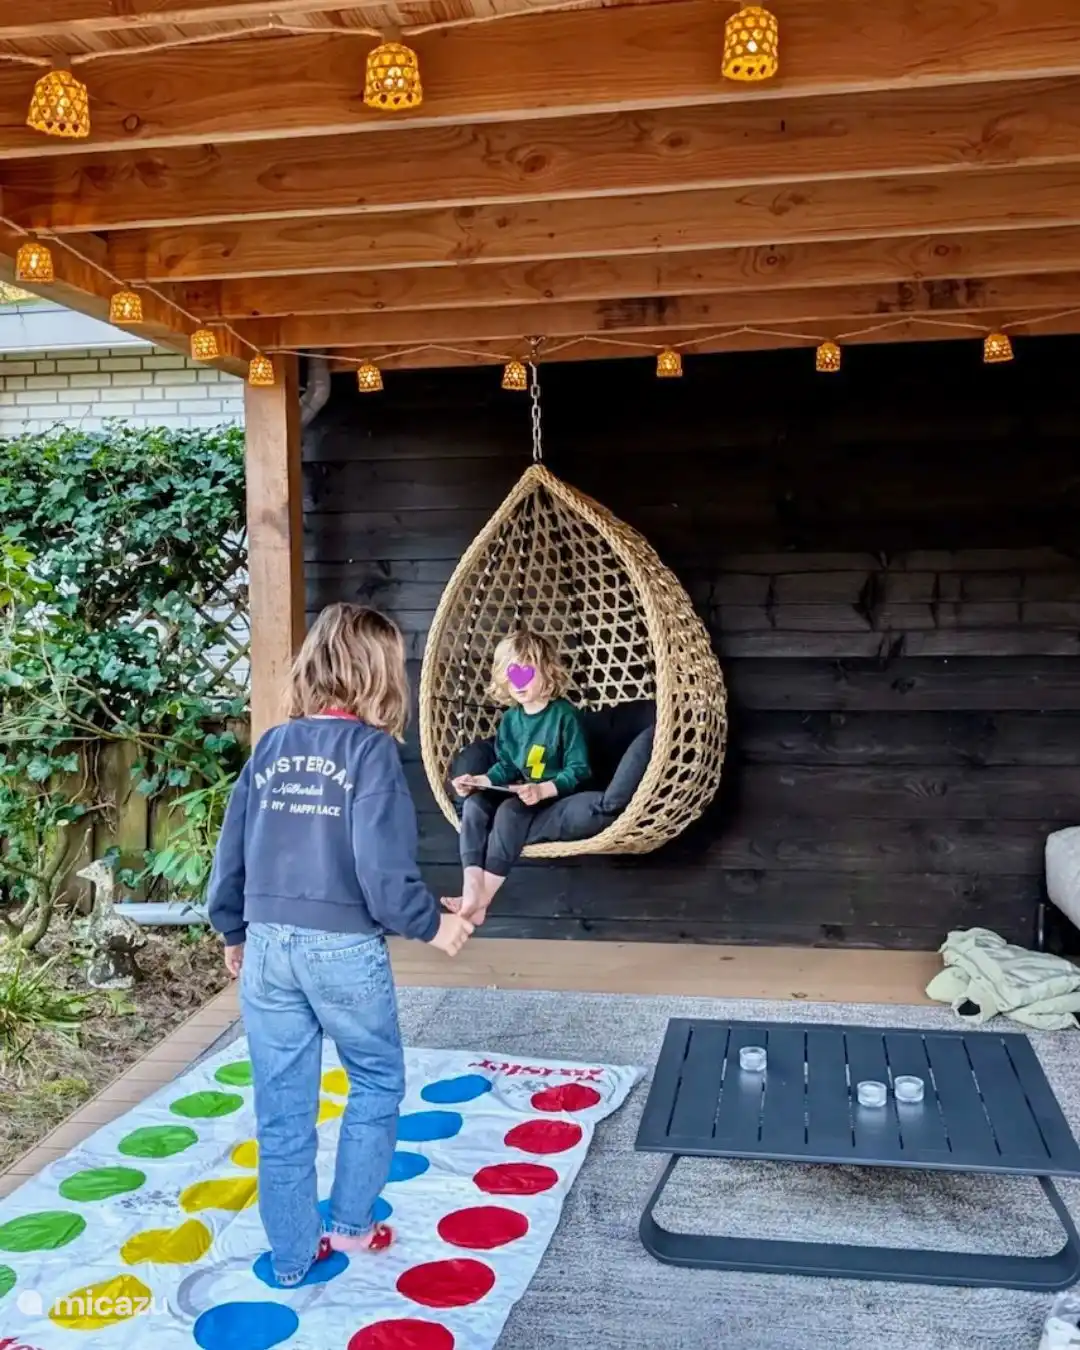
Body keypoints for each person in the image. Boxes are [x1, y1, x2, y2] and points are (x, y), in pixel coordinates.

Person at [207, 603, 474, 1289]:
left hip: (267, 947)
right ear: (381, 674)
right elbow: (382, 874)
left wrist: (232, 928)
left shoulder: (270, 745)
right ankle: (352, 1226)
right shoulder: (372, 753)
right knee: (378, 1080)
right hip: (343, 950)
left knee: (283, 1110)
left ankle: (294, 1261)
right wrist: (433, 923)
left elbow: (231, 851)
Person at [445, 628, 590, 927]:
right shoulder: (511, 719)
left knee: (510, 811)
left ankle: (482, 900)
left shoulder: (564, 716)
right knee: (474, 805)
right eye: (511, 673)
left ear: (547, 672)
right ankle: (471, 885)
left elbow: (579, 769)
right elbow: (507, 767)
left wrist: (542, 790)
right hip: (519, 789)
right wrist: (479, 781)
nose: (518, 681)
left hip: (550, 795)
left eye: (526, 672)